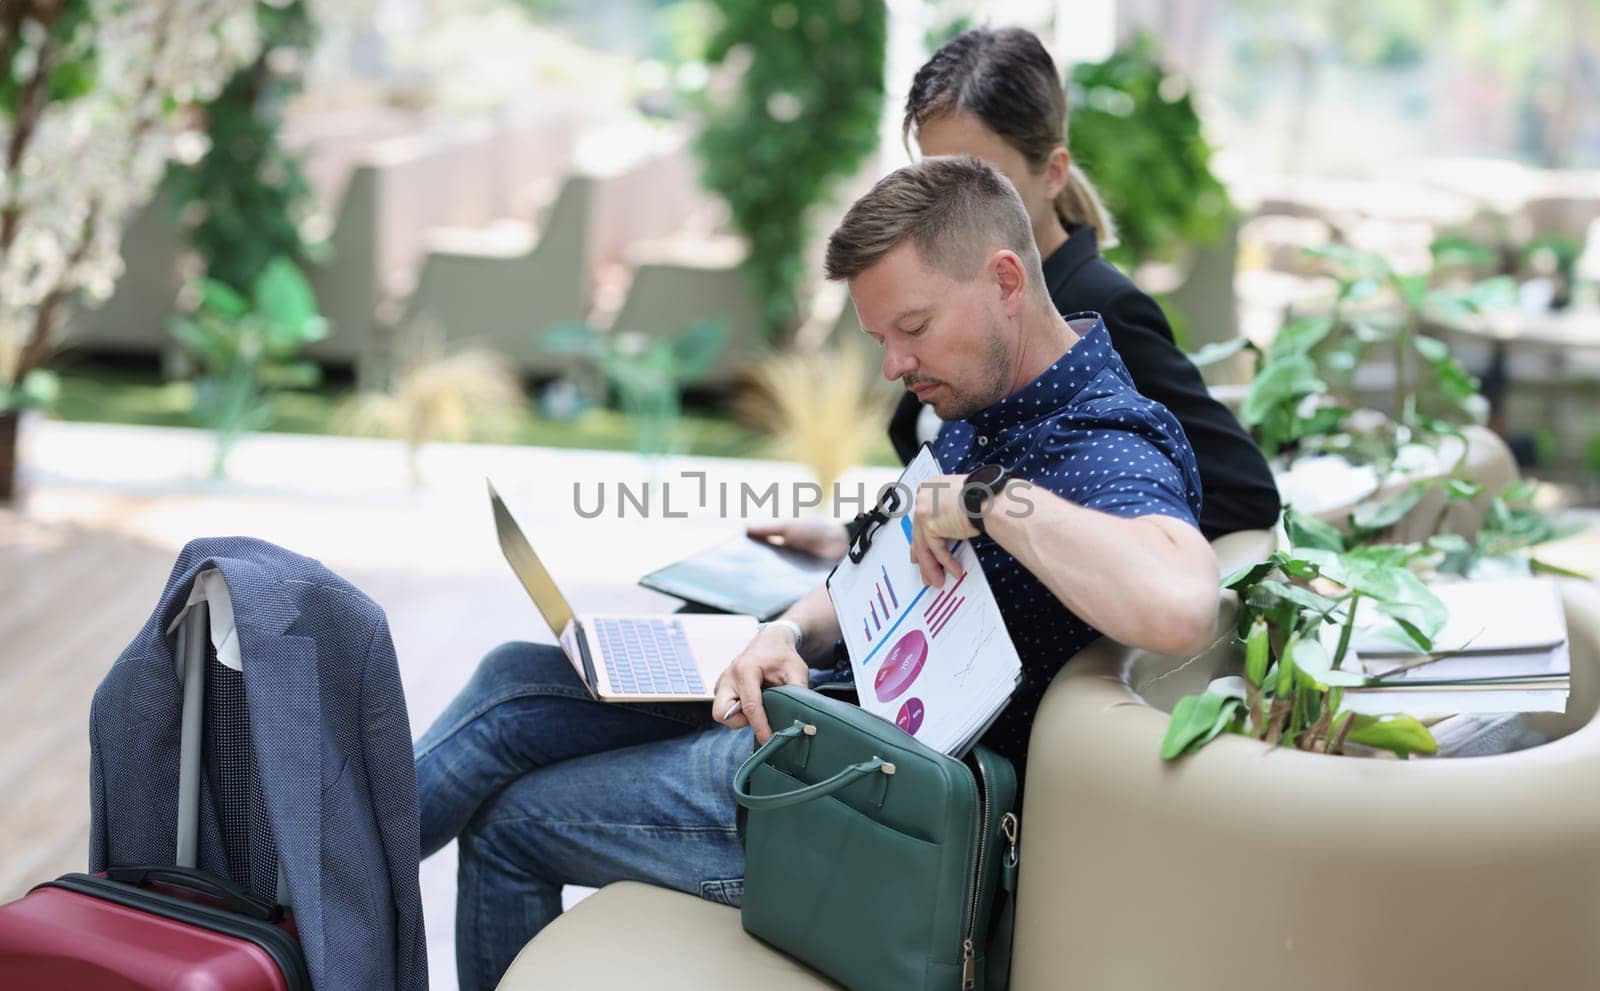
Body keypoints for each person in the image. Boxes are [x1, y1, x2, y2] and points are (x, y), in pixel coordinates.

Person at [414, 157, 1219, 991]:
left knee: (509, 821)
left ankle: (310, 913)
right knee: (515, 679)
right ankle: (303, 901)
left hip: (853, 815)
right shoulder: (990, 401)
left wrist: (984, 498)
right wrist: (788, 629)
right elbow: (881, 569)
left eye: (912, 327)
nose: (893, 367)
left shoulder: (1100, 444)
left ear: (1006, 281)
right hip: (820, 718)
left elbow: (1182, 604)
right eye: (880, 339)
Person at [752, 26, 1278, 563]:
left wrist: (1043, 559)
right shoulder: (939, 293)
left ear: (1052, 174)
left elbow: (1240, 493)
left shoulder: (1102, 309)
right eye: (933, 173)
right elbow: (955, 468)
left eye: (979, 175)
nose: (950, 201)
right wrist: (853, 536)